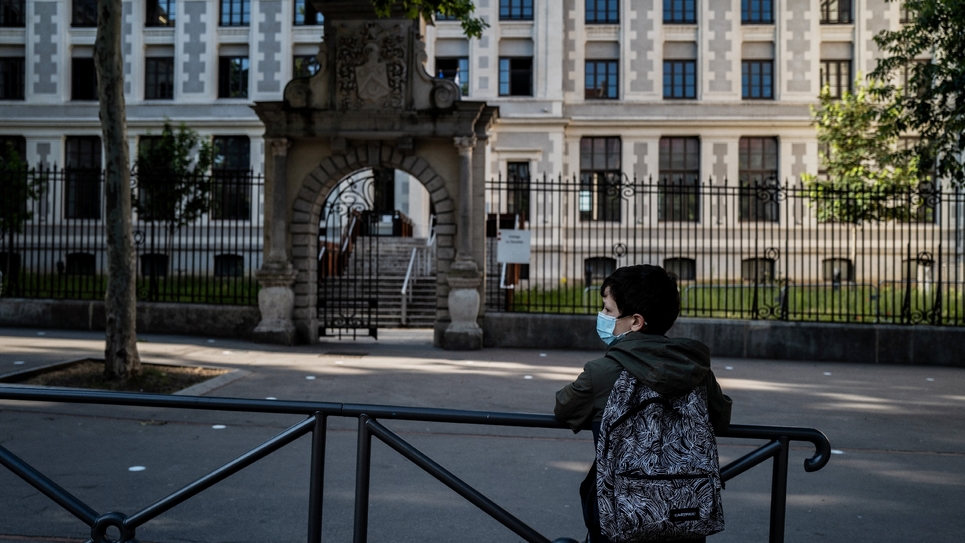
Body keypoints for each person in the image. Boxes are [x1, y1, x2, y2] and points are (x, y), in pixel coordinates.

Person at [554, 264, 732, 543]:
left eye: (608, 310)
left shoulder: (601, 372)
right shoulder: (696, 371)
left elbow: (564, 409)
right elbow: (720, 419)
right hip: (684, 511)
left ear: (636, 321)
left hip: (620, 512)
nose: (602, 316)